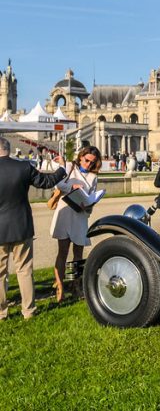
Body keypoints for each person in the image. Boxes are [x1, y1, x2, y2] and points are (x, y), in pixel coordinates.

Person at [0, 136, 66, 320]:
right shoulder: (23, 167)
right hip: (21, 225)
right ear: (9, 149)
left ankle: (1, 313)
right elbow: (46, 182)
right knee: (25, 270)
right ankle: (28, 311)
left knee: (0, 273)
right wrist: (62, 169)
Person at [50, 145, 102, 302]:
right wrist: (72, 186)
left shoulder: (93, 177)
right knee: (63, 251)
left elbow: (91, 197)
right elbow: (57, 185)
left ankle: (76, 285)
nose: (89, 165)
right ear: (81, 157)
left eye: (92, 163)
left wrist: (88, 206)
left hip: (80, 215)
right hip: (65, 211)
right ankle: (60, 286)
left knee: (78, 254)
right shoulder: (69, 167)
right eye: (87, 161)